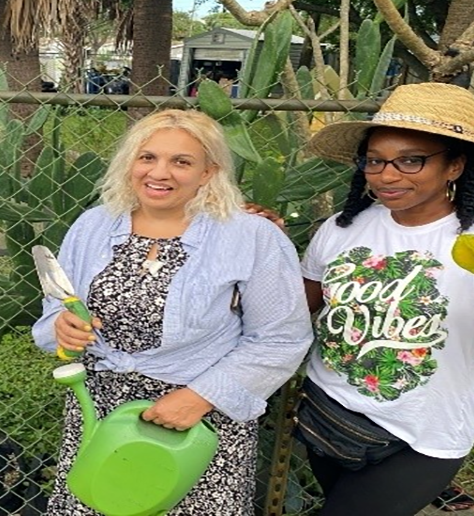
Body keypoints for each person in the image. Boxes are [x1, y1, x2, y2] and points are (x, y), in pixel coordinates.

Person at [32, 109, 313, 515]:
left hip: (197, 421)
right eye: (147, 157)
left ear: (208, 172)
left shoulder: (250, 236)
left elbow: (281, 337)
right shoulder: (94, 225)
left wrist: (200, 397)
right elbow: (58, 306)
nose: (159, 173)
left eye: (181, 162)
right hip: (100, 414)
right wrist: (63, 328)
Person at [296, 83, 474, 516]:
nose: (386, 175)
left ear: (455, 165)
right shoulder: (342, 228)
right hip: (333, 411)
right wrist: (254, 236)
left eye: (410, 160)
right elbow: (296, 308)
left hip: (424, 432)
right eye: (374, 161)